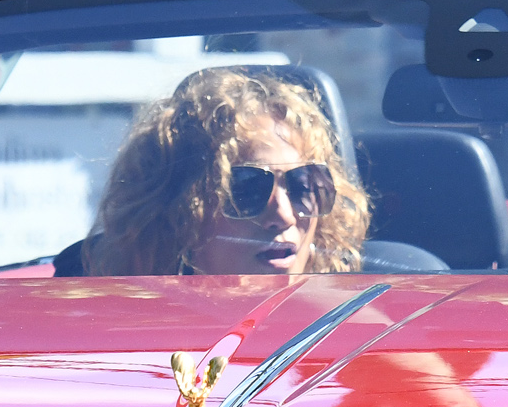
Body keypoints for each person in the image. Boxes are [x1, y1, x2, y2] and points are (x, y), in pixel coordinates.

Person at [78, 66, 373, 278]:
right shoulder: (121, 348)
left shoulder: (367, 340)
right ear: (177, 213)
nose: (284, 216)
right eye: (247, 189)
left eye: (304, 186)